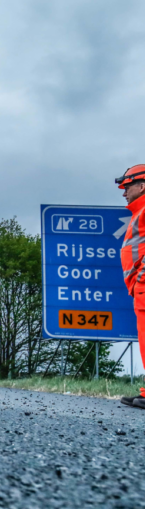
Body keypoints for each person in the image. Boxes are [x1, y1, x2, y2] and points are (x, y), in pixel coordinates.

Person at [117, 166, 145, 407]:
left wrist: (141, 278)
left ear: (142, 185)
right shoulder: (140, 212)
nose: (124, 193)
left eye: (127, 187)